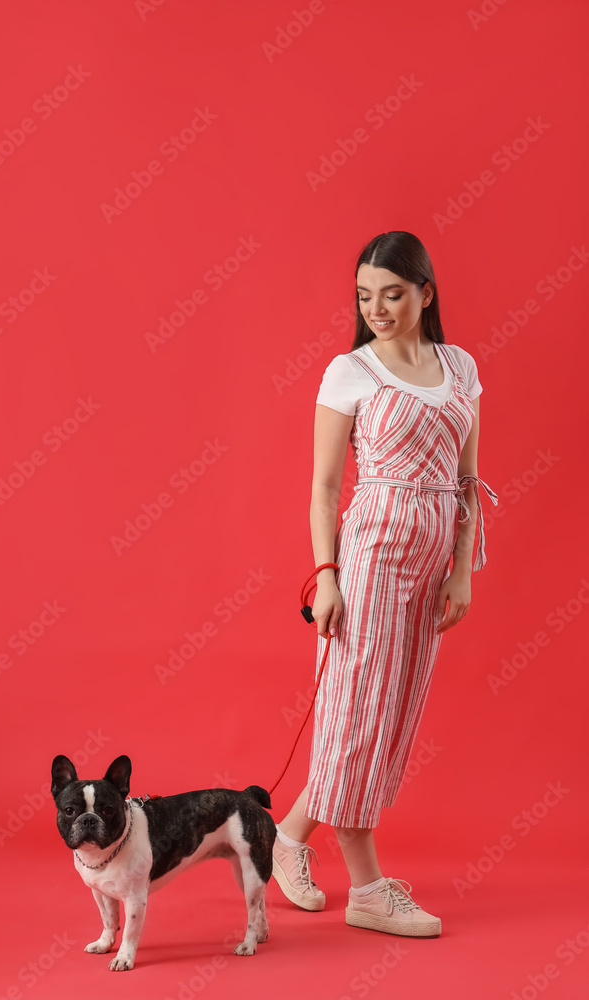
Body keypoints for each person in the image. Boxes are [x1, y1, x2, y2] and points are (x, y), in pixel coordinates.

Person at [271, 231, 498, 938]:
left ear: (424, 292)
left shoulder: (460, 368)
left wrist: (460, 571)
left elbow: (465, 482)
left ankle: (282, 841)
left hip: (431, 558)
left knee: (388, 717)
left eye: (392, 293)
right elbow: (324, 487)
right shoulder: (350, 372)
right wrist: (328, 577)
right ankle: (366, 888)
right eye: (365, 296)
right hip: (369, 554)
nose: (376, 308)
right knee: (355, 713)